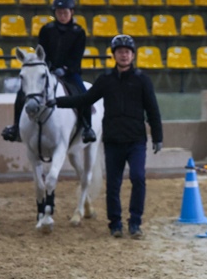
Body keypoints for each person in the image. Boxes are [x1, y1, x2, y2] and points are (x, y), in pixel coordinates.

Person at [49, 35, 163, 239]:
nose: (124, 55)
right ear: (114, 55)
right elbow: (84, 99)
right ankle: (115, 223)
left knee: (138, 178)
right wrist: (56, 102)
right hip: (112, 141)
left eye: (127, 52)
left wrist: (157, 136)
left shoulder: (142, 80)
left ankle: (135, 222)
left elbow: (153, 110)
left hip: (136, 140)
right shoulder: (105, 80)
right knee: (113, 183)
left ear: (133, 55)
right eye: (120, 51)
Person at [1, 0, 96, 143]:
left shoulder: (79, 32)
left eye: (65, 12)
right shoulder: (46, 29)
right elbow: (42, 53)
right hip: (48, 70)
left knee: (83, 93)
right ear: (55, 13)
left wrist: (65, 69)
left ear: (71, 12)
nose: (62, 15)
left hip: (70, 72)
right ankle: (15, 127)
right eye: (59, 13)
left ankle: (87, 127)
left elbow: (76, 57)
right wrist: (48, 67)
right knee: (21, 93)